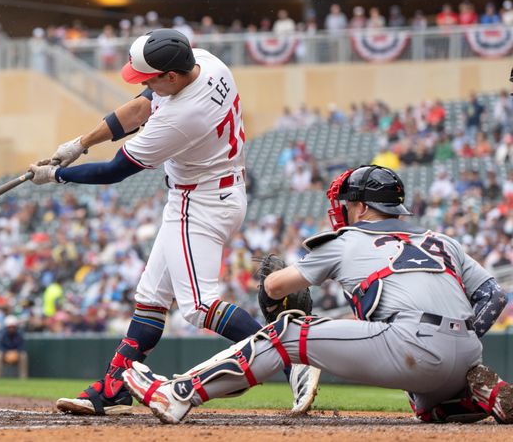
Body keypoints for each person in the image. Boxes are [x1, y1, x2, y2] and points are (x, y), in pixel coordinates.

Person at [29, 28, 319, 416]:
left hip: (199, 200)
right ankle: (115, 386)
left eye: (151, 77)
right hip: (210, 190)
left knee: (198, 306)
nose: (145, 83)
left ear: (171, 76)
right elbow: (138, 108)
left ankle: (290, 356)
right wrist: (81, 144)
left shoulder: (184, 117)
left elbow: (115, 171)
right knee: (150, 297)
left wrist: (58, 175)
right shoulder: (206, 63)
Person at [122, 165, 512, 425]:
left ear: (360, 207)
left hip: (409, 344)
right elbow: (493, 297)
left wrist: (270, 285)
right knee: (425, 406)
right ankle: (481, 393)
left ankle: (178, 393)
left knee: (287, 331)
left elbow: (276, 289)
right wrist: (458, 340)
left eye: (346, 203)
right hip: (465, 353)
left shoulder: (346, 239)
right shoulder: (441, 240)